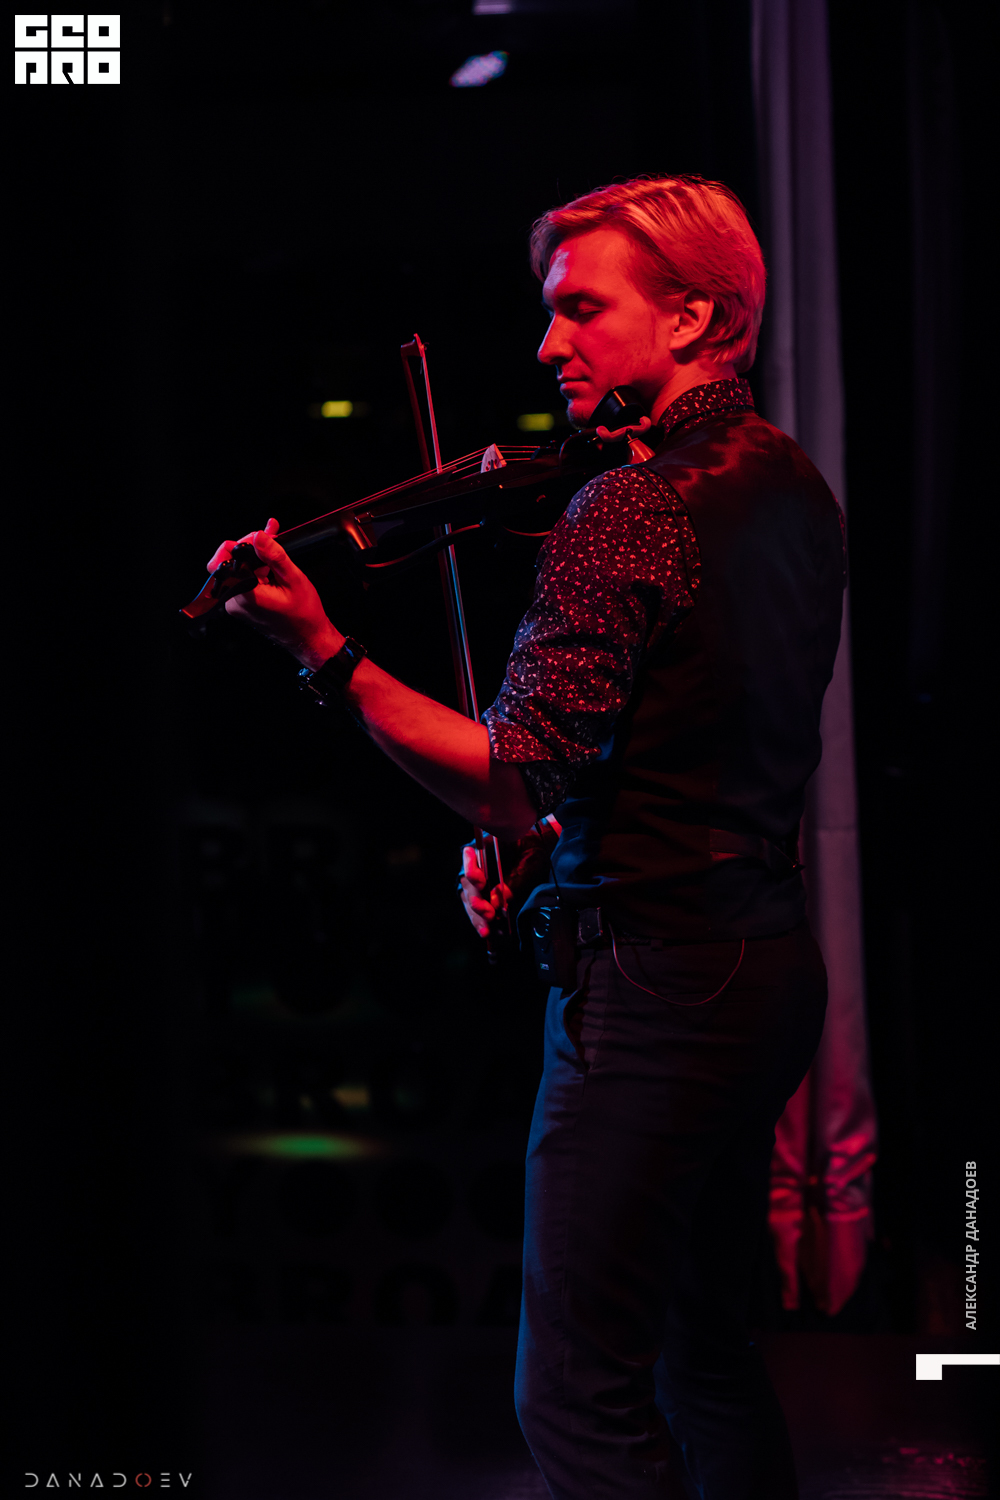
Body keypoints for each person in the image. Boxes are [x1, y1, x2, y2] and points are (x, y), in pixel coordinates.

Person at [208, 175, 845, 1499]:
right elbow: (689, 738)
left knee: (573, 1397)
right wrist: (557, 840)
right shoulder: (793, 483)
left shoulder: (629, 507)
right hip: (766, 964)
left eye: (581, 310)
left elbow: (506, 776)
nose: (549, 344)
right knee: (703, 1357)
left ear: (693, 317)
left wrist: (324, 651)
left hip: (653, 986)